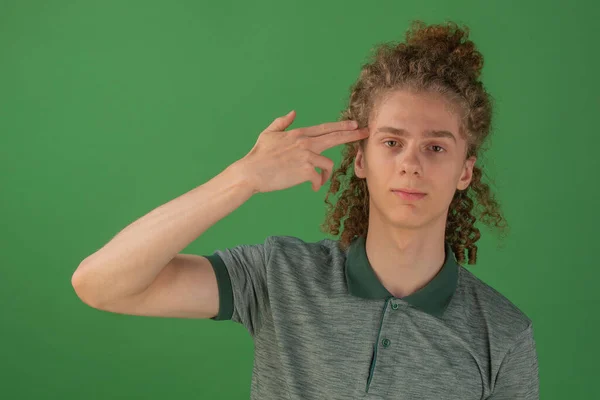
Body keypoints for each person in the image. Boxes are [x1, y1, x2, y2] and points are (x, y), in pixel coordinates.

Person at [72, 20, 539, 400]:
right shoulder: (280, 276)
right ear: (360, 158)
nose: (410, 165)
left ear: (465, 171)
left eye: (436, 147)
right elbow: (100, 284)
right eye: (392, 142)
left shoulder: (503, 334)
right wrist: (242, 179)